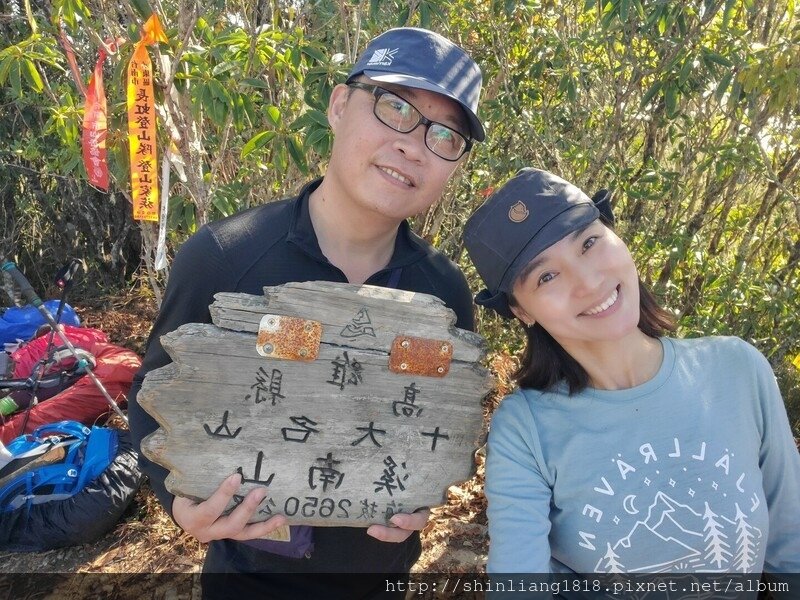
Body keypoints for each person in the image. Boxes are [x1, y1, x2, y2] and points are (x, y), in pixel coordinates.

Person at [128, 27, 485, 598]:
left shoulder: (442, 299)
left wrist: (424, 490)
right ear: (340, 105)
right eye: (395, 108)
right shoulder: (225, 260)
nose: (414, 145)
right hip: (250, 578)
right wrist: (177, 502)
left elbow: (433, 420)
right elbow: (153, 390)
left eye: (446, 136)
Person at [464, 168, 800, 583]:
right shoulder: (525, 428)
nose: (588, 282)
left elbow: (792, 544)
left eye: (589, 243)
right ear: (521, 311)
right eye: (546, 276)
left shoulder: (737, 370)